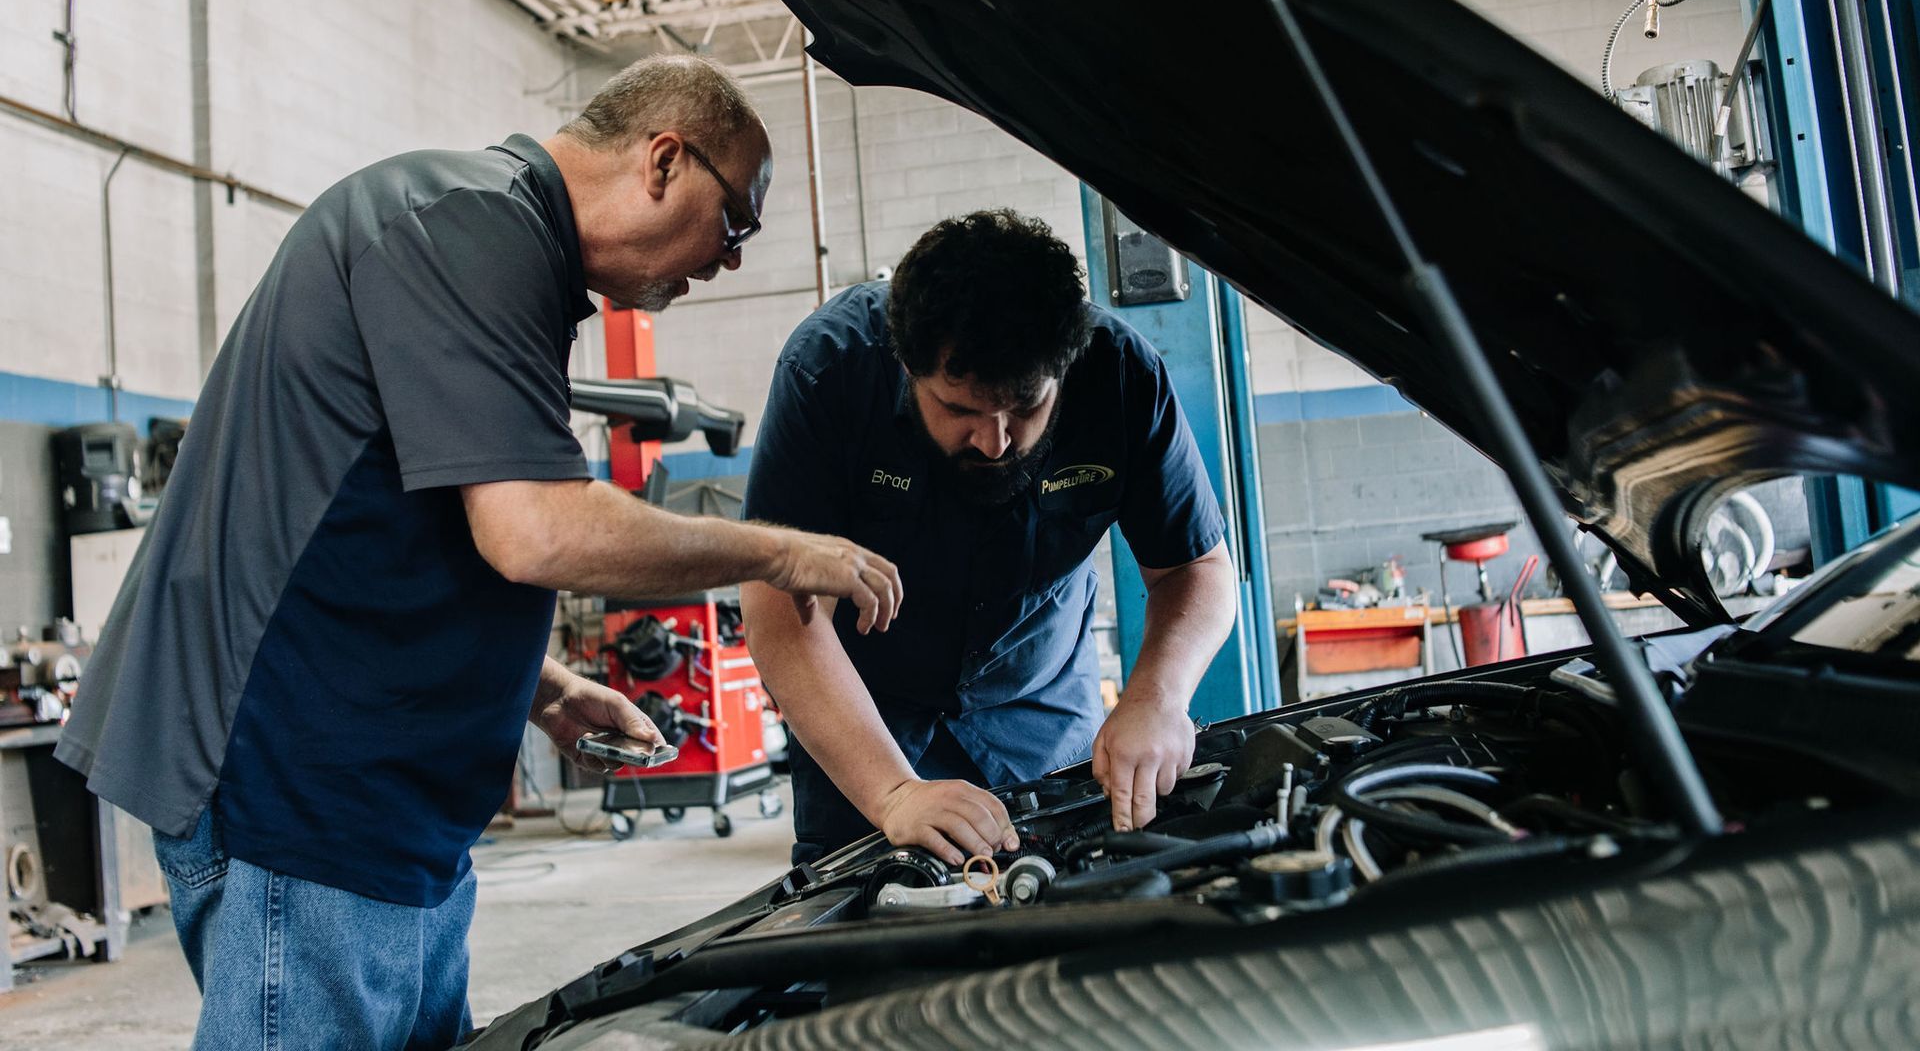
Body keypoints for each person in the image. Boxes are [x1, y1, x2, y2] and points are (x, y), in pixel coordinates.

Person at [55, 55, 903, 1051]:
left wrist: (538, 684)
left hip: (380, 809)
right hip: (304, 795)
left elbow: (390, 520)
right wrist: (781, 550)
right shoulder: (467, 224)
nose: (729, 262)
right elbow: (534, 527)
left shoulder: (493, 246)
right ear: (666, 160)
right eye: (737, 224)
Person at [741, 209, 1237, 867]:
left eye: (1027, 407)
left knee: (1073, 903)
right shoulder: (830, 371)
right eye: (959, 410)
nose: (996, 442)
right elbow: (781, 611)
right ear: (907, 366)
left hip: (1041, 706)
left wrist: (1157, 698)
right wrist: (892, 792)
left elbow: (1196, 569)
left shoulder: (1120, 374)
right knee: (874, 932)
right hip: (865, 715)